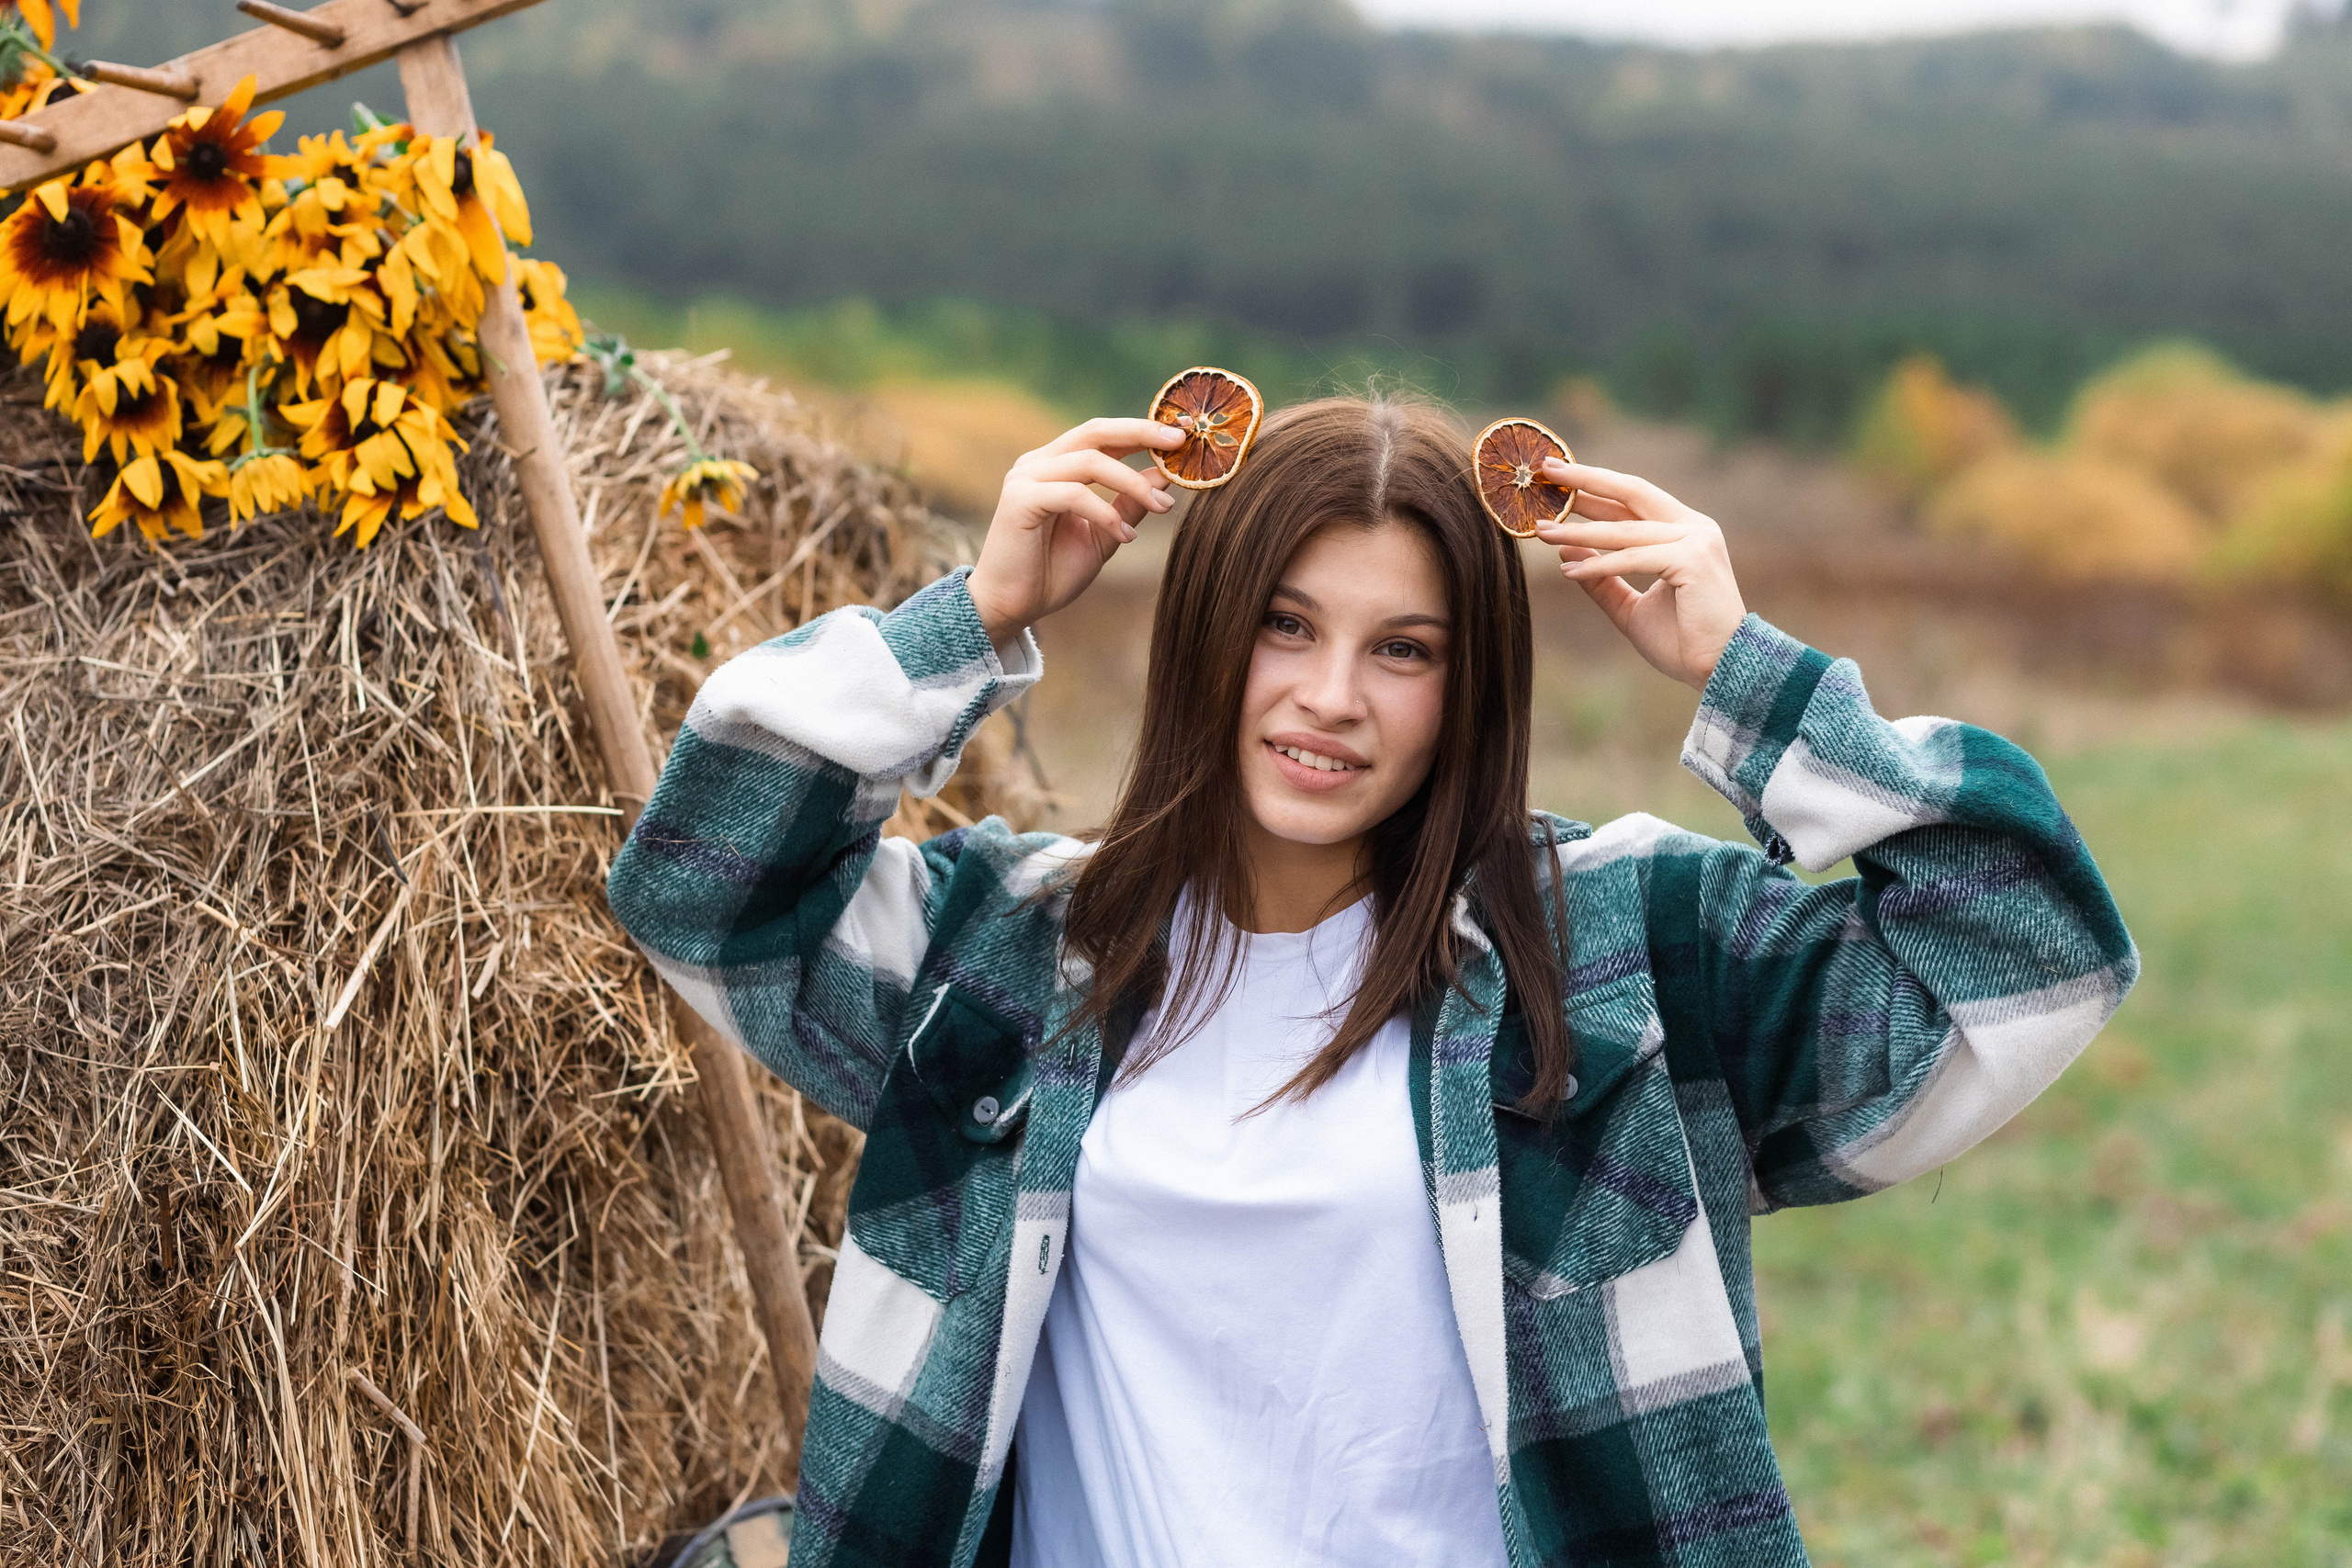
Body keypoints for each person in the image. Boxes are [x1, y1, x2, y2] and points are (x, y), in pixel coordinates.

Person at [605, 394, 2137, 1568]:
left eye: (1405, 650)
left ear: (1471, 689)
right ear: (1208, 634)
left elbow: (2032, 959)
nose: (1331, 698)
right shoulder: (1013, 952)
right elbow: (698, 885)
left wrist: (1753, 677)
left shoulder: (1621, 952)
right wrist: (975, 614)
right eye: (1286, 626)